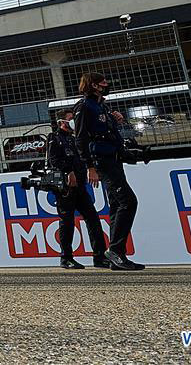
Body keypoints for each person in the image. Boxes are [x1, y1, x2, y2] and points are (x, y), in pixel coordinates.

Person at [73, 73, 145, 271]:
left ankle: (117, 254)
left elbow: (109, 132)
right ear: (94, 85)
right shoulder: (84, 106)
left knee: (116, 205)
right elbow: (81, 139)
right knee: (128, 202)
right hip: (102, 161)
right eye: (103, 82)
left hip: (114, 158)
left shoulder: (102, 106)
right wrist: (90, 166)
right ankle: (115, 250)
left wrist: (116, 120)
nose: (107, 85)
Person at [46, 108, 109, 270]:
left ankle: (99, 256)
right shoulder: (54, 138)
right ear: (61, 122)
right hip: (65, 188)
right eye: (70, 118)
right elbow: (54, 160)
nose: (73, 121)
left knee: (93, 218)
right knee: (67, 221)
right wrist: (69, 172)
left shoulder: (76, 138)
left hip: (81, 186)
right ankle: (66, 257)